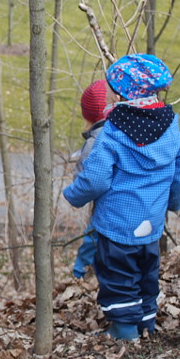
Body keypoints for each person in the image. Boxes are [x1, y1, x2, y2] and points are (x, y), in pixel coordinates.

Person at [64, 54, 180, 340]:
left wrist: (73, 195)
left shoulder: (113, 131)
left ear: (122, 92)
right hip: (152, 224)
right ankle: (146, 323)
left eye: (112, 87)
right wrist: (172, 203)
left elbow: (95, 178)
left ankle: (125, 332)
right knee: (147, 274)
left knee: (118, 278)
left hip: (117, 227)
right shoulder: (171, 127)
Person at [72, 80, 109, 279]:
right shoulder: (126, 132)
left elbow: (84, 183)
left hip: (107, 213)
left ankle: (77, 280)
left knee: (90, 246)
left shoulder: (95, 141)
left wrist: (71, 193)